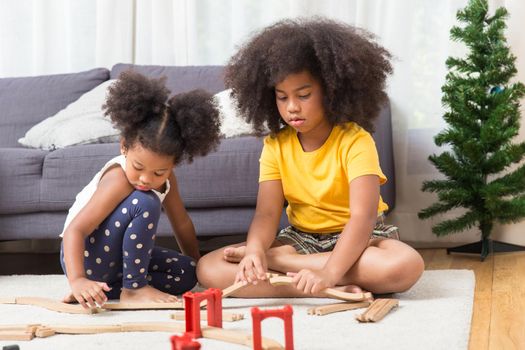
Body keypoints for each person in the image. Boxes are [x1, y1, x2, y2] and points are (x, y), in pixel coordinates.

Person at [197, 18, 424, 297]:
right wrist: (255, 251)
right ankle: (322, 285)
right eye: (282, 97)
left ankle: (297, 270)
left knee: (405, 264)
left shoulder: (356, 141)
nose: (292, 107)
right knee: (209, 268)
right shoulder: (275, 145)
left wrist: (327, 271)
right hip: (301, 239)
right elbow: (267, 214)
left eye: (303, 95)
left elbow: (362, 218)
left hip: (358, 239)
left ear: (331, 91)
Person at [60, 70, 221, 308]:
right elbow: (75, 231)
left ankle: (105, 290)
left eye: (159, 172)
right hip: (86, 256)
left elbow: (182, 223)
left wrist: (199, 263)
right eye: (138, 167)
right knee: (145, 201)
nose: (146, 179)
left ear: (173, 164)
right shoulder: (118, 179)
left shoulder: (168, 180)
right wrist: (78, 280)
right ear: (124, 146)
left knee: (187, 273)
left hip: (117, 264)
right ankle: (132, 289)